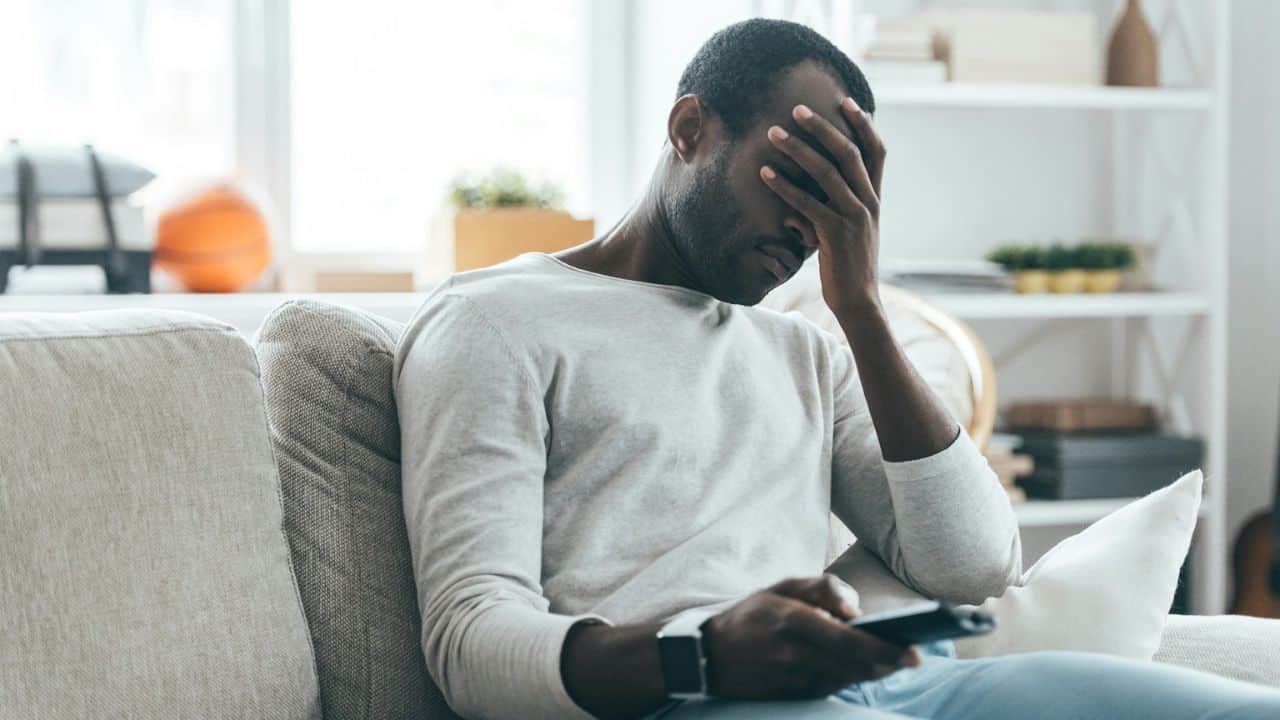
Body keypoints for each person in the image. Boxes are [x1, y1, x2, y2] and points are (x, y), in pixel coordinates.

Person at [394, 18, 1280, 720]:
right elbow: (470, 643)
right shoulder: (491, 321)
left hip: (894, 686)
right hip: (684, 700)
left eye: (841, 200)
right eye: (794, 182)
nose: (808, 228)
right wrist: (699, 653)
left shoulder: (804, 346)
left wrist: (860, 306)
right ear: (690, 128)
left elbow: (973, 565)